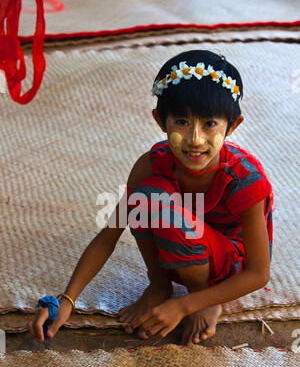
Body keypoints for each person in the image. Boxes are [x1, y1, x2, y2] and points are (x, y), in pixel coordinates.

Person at [28, 49, 273, 345]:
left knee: (165, 210)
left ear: (232, 126)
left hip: (229, 267)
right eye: (182, 121)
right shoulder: (152, 164)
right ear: (160, 120)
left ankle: (204, 298)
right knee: (146, 197)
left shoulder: (244, 179)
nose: (195, 139)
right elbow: (109, 236)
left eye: (210, 124)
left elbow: (258, 274)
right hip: (180, 252)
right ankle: (160, 286)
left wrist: (185, 305)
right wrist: (66, 300)